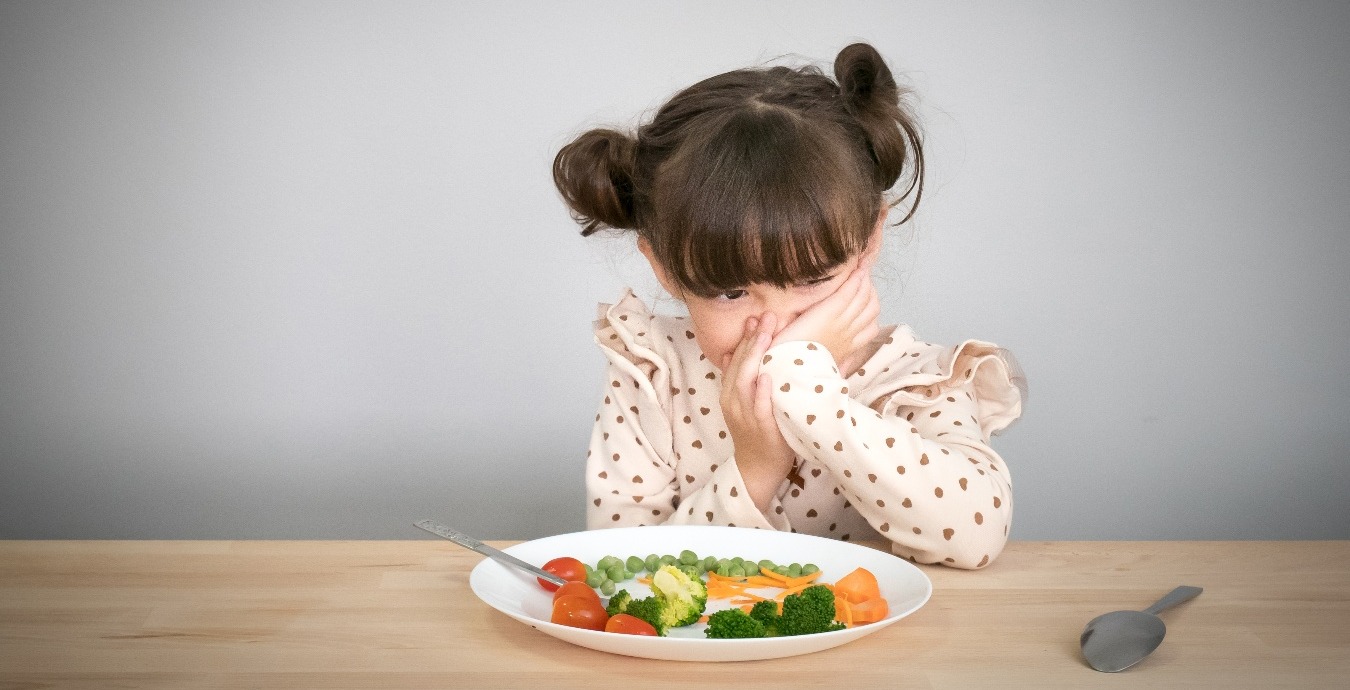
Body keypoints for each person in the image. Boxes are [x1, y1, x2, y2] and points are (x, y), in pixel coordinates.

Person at [552, 43, 1025, 569]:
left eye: (814, 281)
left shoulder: (913, 382)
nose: (776, 330)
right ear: (664, 268)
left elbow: (974, 536)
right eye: (731, 293)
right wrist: (756, 467)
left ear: (869, 240)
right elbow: (627, 571)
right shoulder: (652, 374)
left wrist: (812, 398)